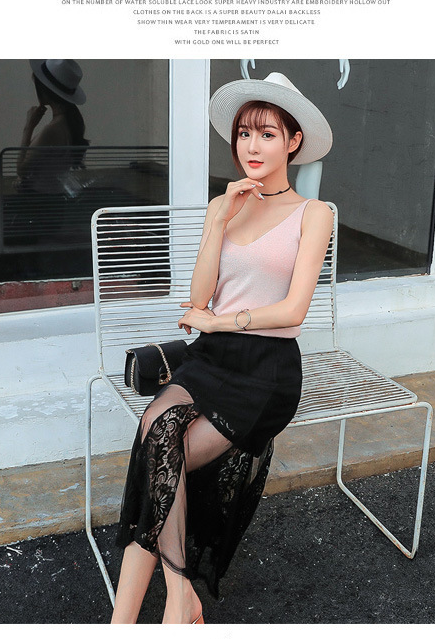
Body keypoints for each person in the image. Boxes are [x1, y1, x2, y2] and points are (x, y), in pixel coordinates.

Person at [110, 72, 335, 624]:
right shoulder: (227, 204)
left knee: (159, 456)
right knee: (157, 436)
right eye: (244, 134)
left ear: (294, 141)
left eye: (267, 134)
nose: (252, 147)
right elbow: (197, 297)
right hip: (211, 360)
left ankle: (161, 608)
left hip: (265, 372)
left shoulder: (314, 214)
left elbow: (293, 311)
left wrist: (221, 321)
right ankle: (174, 599)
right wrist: (217, 220)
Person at [16, 59, 89, 194]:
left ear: (44, 90)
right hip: (55, 195)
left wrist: (29, 127)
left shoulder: (52, 130)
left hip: (39, 198)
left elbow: (21, 170)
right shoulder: (72, 122)